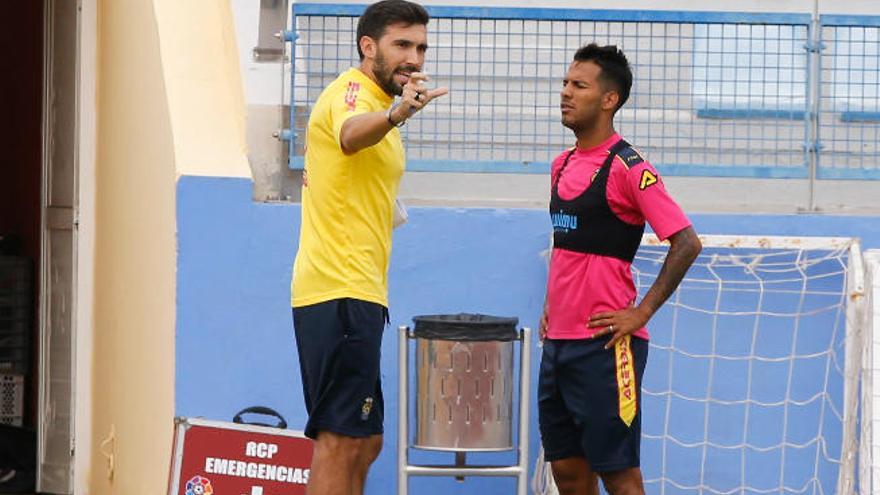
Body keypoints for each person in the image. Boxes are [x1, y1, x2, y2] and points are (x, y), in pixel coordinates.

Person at [289, 1, 447, 494]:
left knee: (366, 440)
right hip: (338, 289)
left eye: (420, 47)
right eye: (402, 44)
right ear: (368, 46)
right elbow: (351, 136)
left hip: (360, 291)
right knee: (339, 439)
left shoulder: (376, 105)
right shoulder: (354, 93)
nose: (414, 58)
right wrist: (398, 112)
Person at [538, 44, 702, 495]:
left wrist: (640, 313)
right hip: (557, 347)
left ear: (609, 99)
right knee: (568, 473)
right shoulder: (561, 165)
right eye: (565, 84)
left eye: (579, 86)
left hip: (605, 347)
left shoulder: (630, 168)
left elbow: (687, 243)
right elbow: (566, 245)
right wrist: (551, 304)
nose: (565, 93)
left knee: (617, 472)